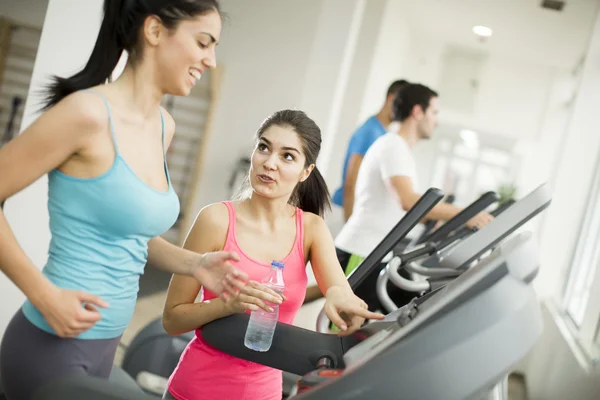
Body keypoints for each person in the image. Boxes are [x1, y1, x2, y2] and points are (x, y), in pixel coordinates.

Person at [0, 1, 262, 399]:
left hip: (105, 348)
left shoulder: (163, 126)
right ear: (155, 31)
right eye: (203, 42)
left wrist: (196, 263)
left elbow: (131, 234)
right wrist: (42, 293)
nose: (210, 60)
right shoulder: (87, 114)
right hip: (51, 346)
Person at [161, 109, 385, 400]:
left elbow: (338, 289)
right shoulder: (215, 220)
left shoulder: (312, 229)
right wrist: (229, 304)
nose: (269, 163)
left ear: (306, 171)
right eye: (263, 148)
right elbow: (172, 319)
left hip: (262, 393)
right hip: (195, 390)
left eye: (287, 156)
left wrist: (342, 299)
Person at [334, 83, 494, 311]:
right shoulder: (393, 146)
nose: (436, 121)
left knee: (407, 310)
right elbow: (408, 201)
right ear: (418, 112)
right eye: (434, 113)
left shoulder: (399, 149)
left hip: (376, 253)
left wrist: (441, 219)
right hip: (362, 252)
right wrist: (467, 215)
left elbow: (410, 211)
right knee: (342, 333)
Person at [332, 79, 410, 221]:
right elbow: (351, 183)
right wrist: (350, 223)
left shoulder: (383, 134)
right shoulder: (371, 131)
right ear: (391, 98)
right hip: (342, 211)